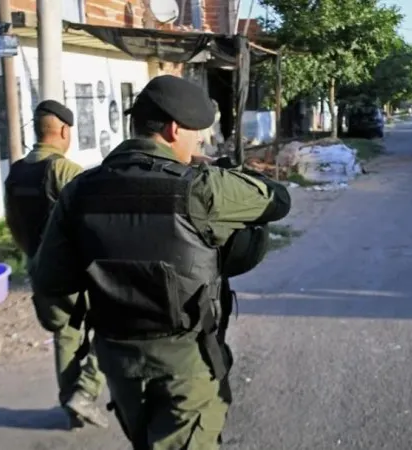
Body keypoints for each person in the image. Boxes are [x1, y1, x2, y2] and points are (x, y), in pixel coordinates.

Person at [29, 74, 291, 449]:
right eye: (196, 132)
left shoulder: (78, 192)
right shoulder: (201, 189)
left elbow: (51, 287)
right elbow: (277, 200)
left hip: (118, 361)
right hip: (185, 364)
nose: (200, 140)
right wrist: (221, 169)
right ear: (172, 129)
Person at [3, 100, 108, 430]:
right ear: (64, 131)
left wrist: (35, 259)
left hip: (39, 272)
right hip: (74, 276)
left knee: (66, 334)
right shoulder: (64, 171)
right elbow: (99, 222)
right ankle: (87, 392)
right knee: (114, 325)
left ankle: (70, 404)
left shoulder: (16, 172)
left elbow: (14, 225)